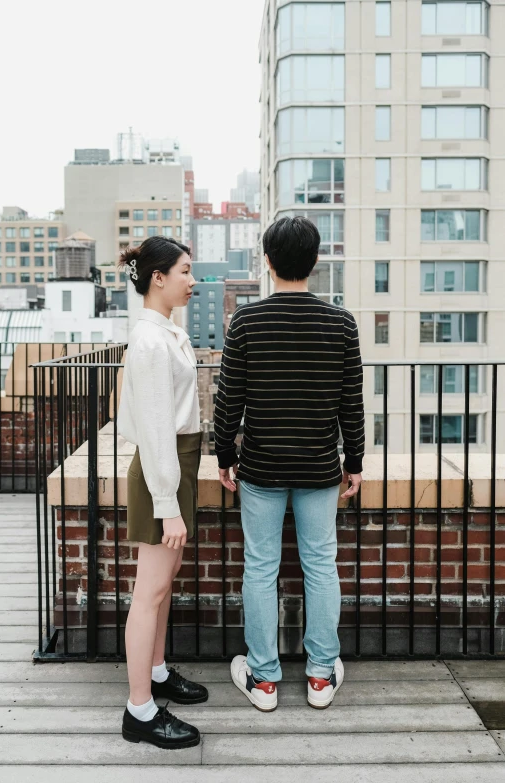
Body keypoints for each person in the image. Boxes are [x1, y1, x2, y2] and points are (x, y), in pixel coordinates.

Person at [214, 216, 365, 712]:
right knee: (321, 564)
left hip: (259, 466)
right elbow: (352, 403)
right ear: (315, 262)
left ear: (268, 260)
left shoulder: (247, 322)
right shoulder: (341, 323)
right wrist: (355, 460)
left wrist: (223, 456)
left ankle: (264, 680)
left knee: (260, 567)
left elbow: (228, 399)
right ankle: (321, 677)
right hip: (321, 466)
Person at [117, 236, 208, 749]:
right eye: (185, 271)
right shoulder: (150, 342)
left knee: (163, 582)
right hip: (162, 470)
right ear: (159, 277)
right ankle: (140, 712)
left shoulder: (168, 333)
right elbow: (154, 431)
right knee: (149, 591)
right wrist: (169, 505)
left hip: (178, 464)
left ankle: (154, 673)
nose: (192, 281)